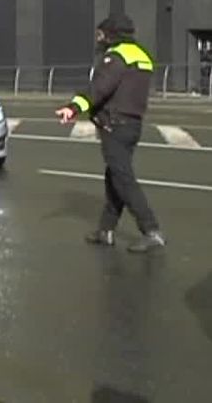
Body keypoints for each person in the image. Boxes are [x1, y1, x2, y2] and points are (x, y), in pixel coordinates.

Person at [55, 14, 166, 253]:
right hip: (132, 124)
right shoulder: (142, 55)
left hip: (114, 125)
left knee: (124, 180)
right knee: (115, 177)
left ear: (112, 34)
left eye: (102, 34)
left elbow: (98, 90)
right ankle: (106, 230)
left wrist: (73, 107)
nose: (100, 39)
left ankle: (151, 230)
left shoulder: (114, 58)